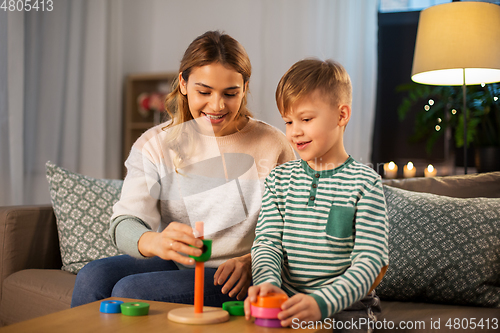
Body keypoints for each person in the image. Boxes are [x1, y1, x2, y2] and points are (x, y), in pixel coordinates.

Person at [71, 30, 295, 308]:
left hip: (233, 274)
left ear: (245, 88)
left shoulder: (273, 144)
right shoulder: (154, 144)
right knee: (92, 277)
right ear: (183, 83)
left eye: (230, 93)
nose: (217, 105)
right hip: (178, 264)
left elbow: (297, 228)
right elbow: (124, 222)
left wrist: (251, 263)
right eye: (204, 91)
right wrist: (155, 242)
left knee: (131, 290)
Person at [244, 59, 388, 332]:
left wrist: (322, 303)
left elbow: (371, 262)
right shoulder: (278, 180)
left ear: (341, 115)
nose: (294, 131)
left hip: (348, 307)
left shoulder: (366, 183)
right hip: (286, 302)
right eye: (288, 121)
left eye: (306, 119)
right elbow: (267, 244)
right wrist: (268, 286)